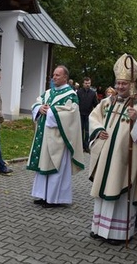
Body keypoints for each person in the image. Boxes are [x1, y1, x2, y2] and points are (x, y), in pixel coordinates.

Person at [88, 54, 137, 245]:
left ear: (132, 83)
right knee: (103, 192)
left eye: (124, 83)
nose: (120, 87)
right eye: (118, 83)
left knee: (120, 193)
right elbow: (93, 117)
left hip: (125, 160)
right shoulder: (109, 102)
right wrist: (98, 130)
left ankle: (118, 233)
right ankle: (99, 228)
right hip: (106, 157)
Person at [26, 65, 85, 208]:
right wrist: (40, 108)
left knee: (55, 167)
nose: (54, 77)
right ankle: (41, 195)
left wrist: (51, 111)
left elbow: (71, 114)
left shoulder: (71, 95)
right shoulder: (47, 92)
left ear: (65, 77)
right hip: (44, 136)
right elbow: (37, 102)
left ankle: (54, 198)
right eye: (53, 75)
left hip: (59, 139)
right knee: (43, 165)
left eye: (58, 75)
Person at [77, 77, 99, 153]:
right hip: (80, 114)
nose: (87, 85)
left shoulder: (93, 93)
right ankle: (80, 146)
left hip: (88, 114)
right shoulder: (79, 92)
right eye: (86, 83)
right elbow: (76, 103)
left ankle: (86, 146)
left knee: (87, 131)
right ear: (83, 84)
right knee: (80, 130)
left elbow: (96, 104)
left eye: (89, 83)